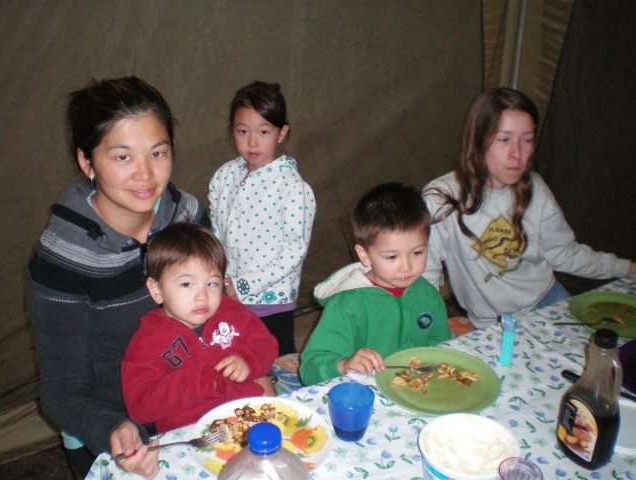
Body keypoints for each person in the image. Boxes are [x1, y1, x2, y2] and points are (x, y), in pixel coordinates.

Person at [27, 76, 212, 480]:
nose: (145, 175)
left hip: (193, 408)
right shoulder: (62, 259)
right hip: (115, 429)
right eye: (122, 157)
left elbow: (217, 308)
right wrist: (112, 427)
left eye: (158, 152)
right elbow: (61, 388)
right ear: (86, 162)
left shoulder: (187, 217)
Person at [423, 87, 636, 329]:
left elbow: (563, 253)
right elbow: (425, 273)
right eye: (504, 139)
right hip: (493, 323)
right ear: (478, 141)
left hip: (548, 299)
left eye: (527, 140)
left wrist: (626, 268)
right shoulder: (442, 197)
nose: (517, 153)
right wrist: (429, 328)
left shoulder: (535, 188)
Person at [121, 222, 278, 433]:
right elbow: (139, 407)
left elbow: (266, 344)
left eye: (212, 283)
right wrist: (197, 383)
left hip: (251, 416)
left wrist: (249, 361)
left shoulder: (232, 313)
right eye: (187, 284)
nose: (203, 295)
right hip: (193, 435)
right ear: (157, 289)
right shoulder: (147, 342)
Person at [299, 183, 451, 386]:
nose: (406, 267)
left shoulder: (428, 295)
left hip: (417, 391)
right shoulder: (346, 305)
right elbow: (310, 369)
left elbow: (441, 346)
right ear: (365, 255)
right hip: (364, 395)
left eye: (417, 253)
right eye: (391, 257)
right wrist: (344, 364)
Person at [208, 80, 316, 356]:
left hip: (271, 301)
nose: (252, 142)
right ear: (231, 131)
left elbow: (294, 251)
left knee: (274, 362)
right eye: (243, 131)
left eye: (264, 131)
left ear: (282, 133)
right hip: (228, 294)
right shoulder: (224, 176)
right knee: (232, 359)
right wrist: (217, 279)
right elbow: (215, 232)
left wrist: (246, 284)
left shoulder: (292, 188)